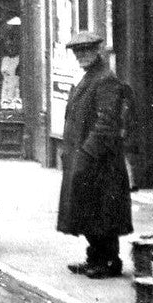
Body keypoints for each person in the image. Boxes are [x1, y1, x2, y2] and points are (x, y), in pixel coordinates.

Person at [57, 30, 133, 280]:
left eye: (87, 51)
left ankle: (109, 261)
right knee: (89, 210)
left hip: (100, 161)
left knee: (102, 212)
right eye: (78, 52)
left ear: (98, 51)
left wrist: (86, 154)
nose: (82, 56)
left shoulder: (105, 79)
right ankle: (95, 257)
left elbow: (106, 122)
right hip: (84, 157)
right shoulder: (90, 77)